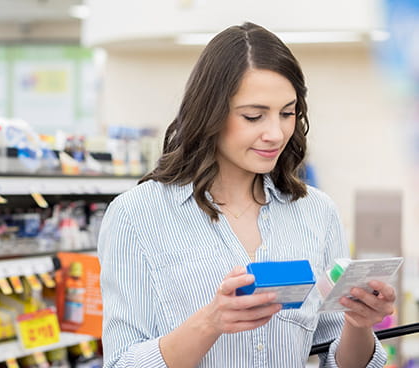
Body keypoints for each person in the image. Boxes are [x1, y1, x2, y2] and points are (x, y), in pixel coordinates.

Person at [97, 21, 395, 367]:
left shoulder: (316, 211)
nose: (276, 133)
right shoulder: (137, 215)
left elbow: (335, 357)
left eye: (287, 113)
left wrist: (359, 324)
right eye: (254, 116)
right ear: (210, 113)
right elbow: (121, 362)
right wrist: (211, 322)